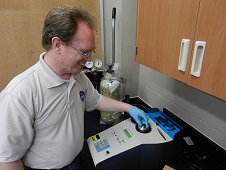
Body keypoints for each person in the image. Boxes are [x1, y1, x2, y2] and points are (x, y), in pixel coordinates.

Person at [0, 5, 149, 170]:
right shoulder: (20, 93)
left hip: (76, 162)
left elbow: (96, 100)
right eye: (84, 52)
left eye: (91, 51)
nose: (89, 58)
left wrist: (129, 108)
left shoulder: (78, 77)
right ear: (57, 45)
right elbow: (9, 159)